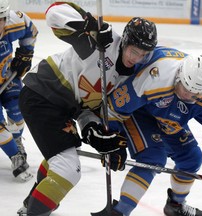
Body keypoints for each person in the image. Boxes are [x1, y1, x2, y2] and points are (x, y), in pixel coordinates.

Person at [16, 2, 157, 216]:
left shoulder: (128, 78)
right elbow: (53, 12)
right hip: (42, 94)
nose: (136, 59)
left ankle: (32, 204)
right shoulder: (101, 44)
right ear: (125, 41)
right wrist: (89, 26)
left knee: (61, 154)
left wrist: (92, 129)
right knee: (68, 169)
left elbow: (90, 104)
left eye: (143, 55)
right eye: (134, 51)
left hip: (60, 107)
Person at [92, 48, 202, 216]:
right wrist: (113, 139)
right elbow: (114, 108)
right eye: (186, 90)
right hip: (139, 109)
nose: (189, 97)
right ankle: (119, 212)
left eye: (195, 95)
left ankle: (176, 205)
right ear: (178, 77)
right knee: (152, 158)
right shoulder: (155, 76)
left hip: (167, 117)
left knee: (192, 158)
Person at [0, 0, 37, 181]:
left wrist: (26, 53)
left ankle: (16, 140)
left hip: (6, 77)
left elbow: (30, 28)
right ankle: (15, 155)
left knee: (18, 107)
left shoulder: (14, 22)